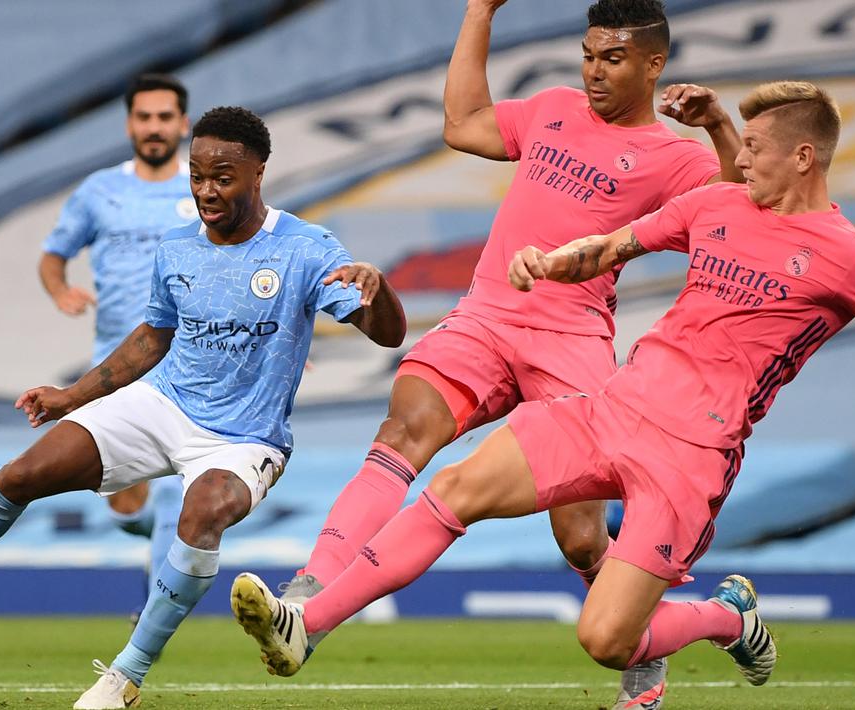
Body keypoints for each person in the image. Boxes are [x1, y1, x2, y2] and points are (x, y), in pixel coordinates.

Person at [231, 80, 855, 692]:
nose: (737, 160)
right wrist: (550, 264)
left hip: (692, 456)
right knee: (456, 488)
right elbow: (614, 245)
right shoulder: (715, 206)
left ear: (803, 158)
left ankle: (726, 617)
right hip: (612, 408)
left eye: (753, 149)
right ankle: (309, 624)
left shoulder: (852, 258)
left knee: (607, 639)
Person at [0, 106, 407, 710]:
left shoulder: (307, 248)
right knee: (22, 474)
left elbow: (388, 333)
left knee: (203, 512)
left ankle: (125, 676)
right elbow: (151, 338)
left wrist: (380, 290)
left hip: (246, 437)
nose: (206, 190)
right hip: (162, 404)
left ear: (258, 173)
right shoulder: (178, 247)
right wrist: (71, 397)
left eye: (223, 177)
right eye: (196, 174)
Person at [276, 1, 740, 706]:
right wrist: (478, 13)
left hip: (572, 341)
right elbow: (463, 125)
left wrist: (714, 125)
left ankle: (651, 646)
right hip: (485, 316)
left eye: (610, 59)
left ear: (653, 65)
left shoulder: (674, 157)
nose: (591, 72)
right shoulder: (551, 108)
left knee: (581, 540)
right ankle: (308, 593)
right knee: (403, 430)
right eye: (586, 55)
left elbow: (743, 206)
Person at [39, 72, 194, 599]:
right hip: (117, 363)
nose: (154, 127)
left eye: (164, 117)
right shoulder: (99, 191)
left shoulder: (205, 188)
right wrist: (59, 289)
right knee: (125, 501)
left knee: (177, 488)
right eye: (145, 117)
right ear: (130, 124)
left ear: (183, 123)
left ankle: (154, 611)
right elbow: (52, 256)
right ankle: (161, 538)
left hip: (189, 359)